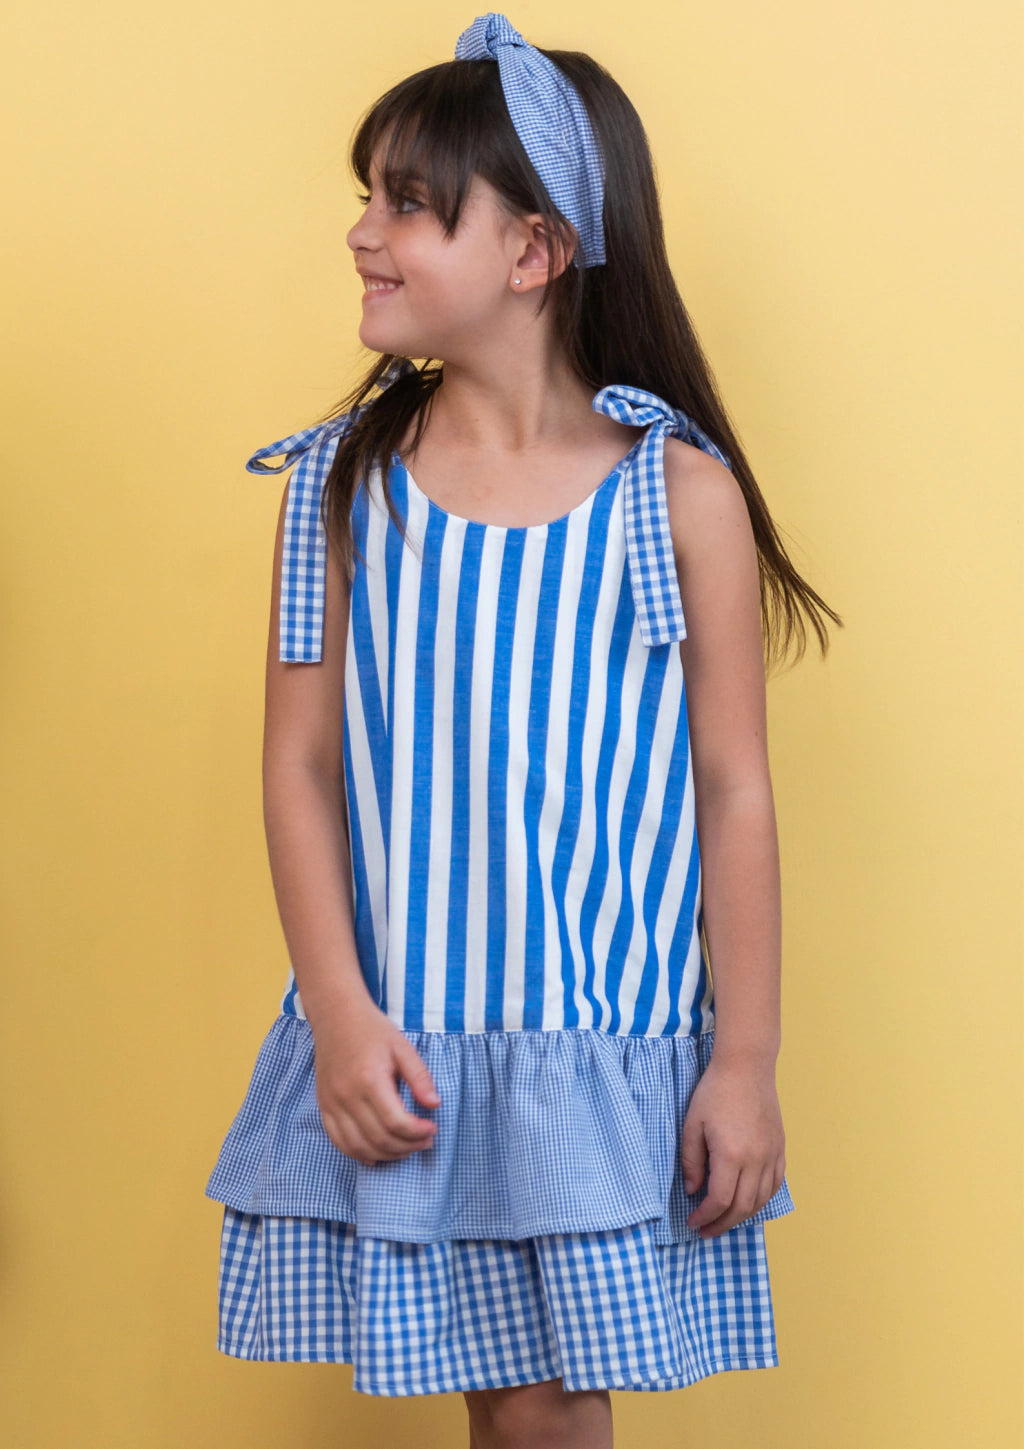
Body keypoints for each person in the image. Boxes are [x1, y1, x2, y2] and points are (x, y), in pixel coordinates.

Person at [204, 11, 841, 1445]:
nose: (363, 232)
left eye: (407, 204)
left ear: (534, 252)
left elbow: (734, 788)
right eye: (367, 196)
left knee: (544, 1414)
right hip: (413, 1038)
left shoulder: (674, 498)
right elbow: (299, 768)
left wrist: (745, 1061)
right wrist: (341, 1011)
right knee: (517, 1414)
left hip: (596, 1048)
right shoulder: (341, 489)